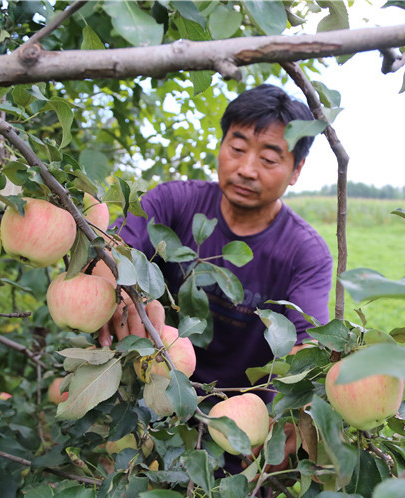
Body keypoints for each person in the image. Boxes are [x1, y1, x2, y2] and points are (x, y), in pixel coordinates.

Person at [99, 83, 333, 407]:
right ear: (221, 145)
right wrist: (126, 288)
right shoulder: (174, 202)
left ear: (296, 171)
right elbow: (108, 245)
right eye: (237, 149)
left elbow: (307, 347)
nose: (246, 170)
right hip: (149, 397)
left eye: (267, 158)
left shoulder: (305, 253)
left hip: (240, 418)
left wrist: (290, 410)